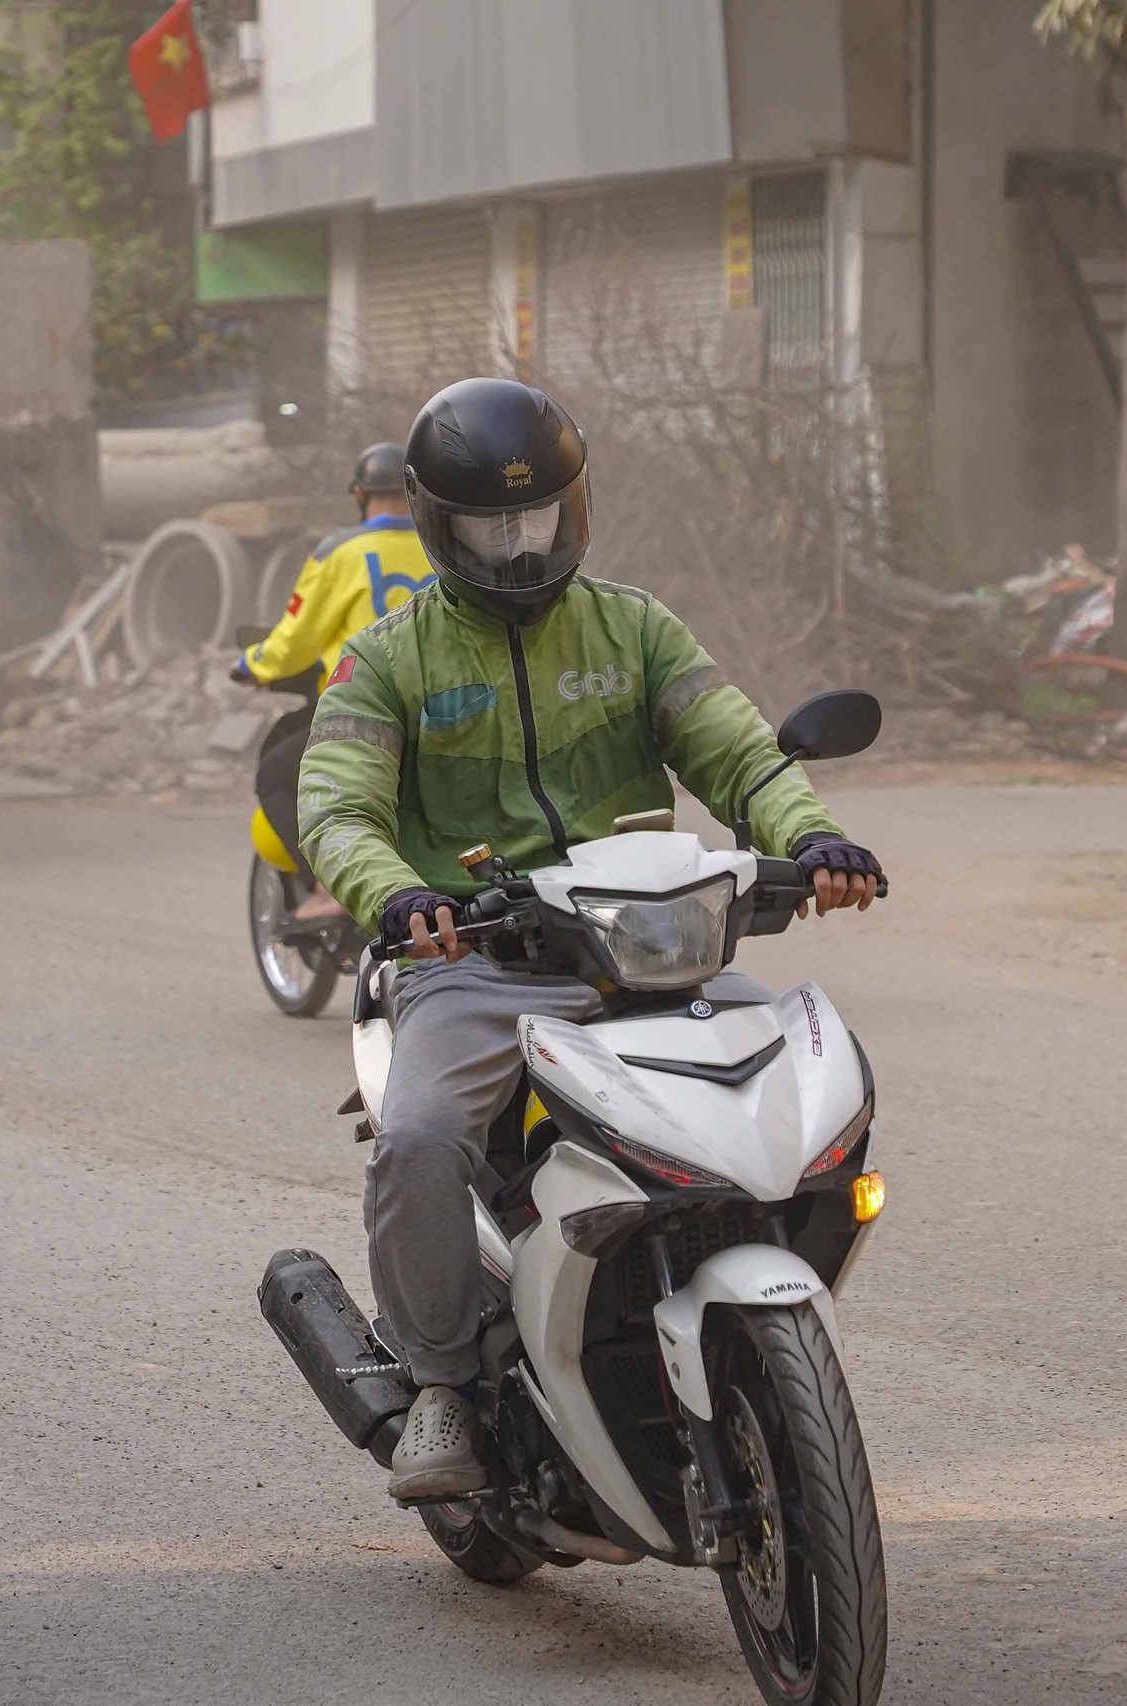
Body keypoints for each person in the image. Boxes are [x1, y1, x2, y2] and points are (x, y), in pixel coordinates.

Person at [294, 378, 884, 1501]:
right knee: (419, 1138)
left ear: (576, 507)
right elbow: (335, 806)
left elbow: (741, 754)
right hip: (472, 961)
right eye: (487, 524)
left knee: (810, 1091)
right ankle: (438, 1384)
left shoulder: (635, 627)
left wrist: (814, 839)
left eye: (536, 517)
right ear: (436, 521)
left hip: (653, 950)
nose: (517, 545)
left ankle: (747, 1316)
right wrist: (395, 895)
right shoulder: (386, 660)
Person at [233, 442, 436, 920]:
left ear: (360, 495)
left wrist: (252, 665)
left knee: (277, 776)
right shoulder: (444, 549)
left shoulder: (339, 554)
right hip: (446, 714)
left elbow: (293, 643)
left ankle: (328, 886)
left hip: (362, 716)